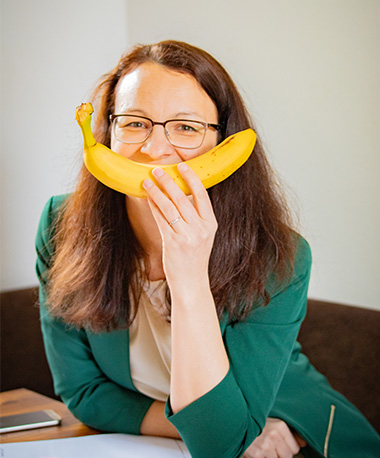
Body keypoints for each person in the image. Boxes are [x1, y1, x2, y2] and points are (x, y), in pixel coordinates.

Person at [35, 40, 380, 458]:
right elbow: (83, 392)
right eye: (134, 122)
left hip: (298, 440)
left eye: (186, 127)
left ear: (222, 144)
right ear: (109, 131)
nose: (155, 149)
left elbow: (218, 447)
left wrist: (189, 276)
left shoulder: (279, 256)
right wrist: (198, 429)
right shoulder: (60, 225)